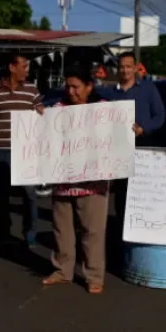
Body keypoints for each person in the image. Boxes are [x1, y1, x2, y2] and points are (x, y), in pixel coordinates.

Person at [42, 66, 113, 294]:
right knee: (62, 230)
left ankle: (94, 276)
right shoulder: (57, 109)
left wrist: (128, 128)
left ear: (89, 87)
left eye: (76, 86)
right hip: (63, 181)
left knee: (92, 231)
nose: (71, 91)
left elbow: (115, 136)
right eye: (68, 86)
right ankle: (63, 270)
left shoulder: (102, 109)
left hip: (93, 183)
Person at [100, 52, 166, 242]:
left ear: (136, 68)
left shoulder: (148, 89)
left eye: (128, 66)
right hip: (120, 151)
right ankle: (121, 239)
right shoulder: (112, 93)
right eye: (121, 66)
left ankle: (143, 237)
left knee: (143, 197)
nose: (125, 70)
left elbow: (160, 116)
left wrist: (143, 129)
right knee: (121, 198)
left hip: (143, 148)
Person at [0, 53, 44, 248]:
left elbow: (41, 113)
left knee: (29, 194)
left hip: (25, 151)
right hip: (0, 149)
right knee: (2, 195)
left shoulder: (32, 90)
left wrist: (47, 115)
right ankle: (4, 231)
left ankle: (30, 232)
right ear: (12, 67)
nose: (27, 70)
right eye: (24, 66)